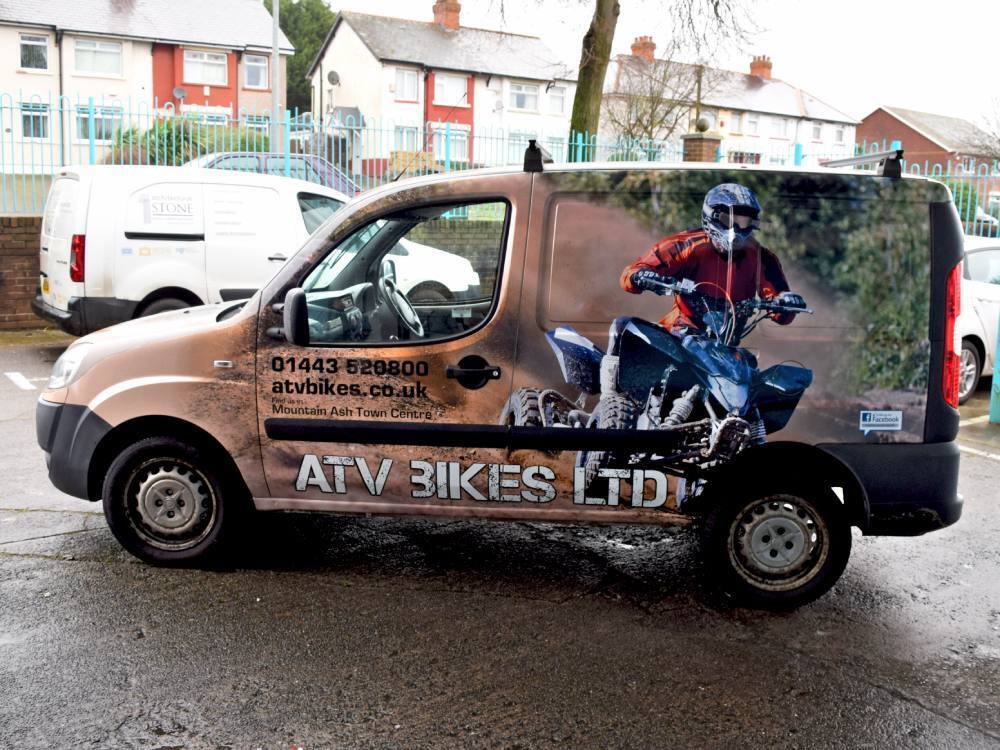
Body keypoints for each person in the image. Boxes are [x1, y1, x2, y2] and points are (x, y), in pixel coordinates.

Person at [618, 183, 806, 338]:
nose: (736, 229)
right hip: (678, 335)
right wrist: (642, 276)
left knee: (763, 375)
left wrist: (787, 303)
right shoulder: (685, 245)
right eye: (728, 220)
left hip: (726, 346)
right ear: (712, 216)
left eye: (743, 222)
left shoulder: (762, 259)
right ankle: (611, 379)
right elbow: (632, 273)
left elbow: (781, 311)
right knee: (624, 328)